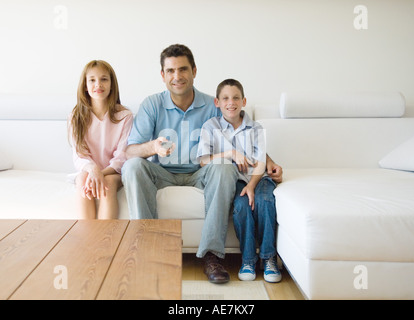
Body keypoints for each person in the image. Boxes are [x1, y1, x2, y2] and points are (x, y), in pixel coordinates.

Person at [122, 44, 282, 284]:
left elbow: (242, 134)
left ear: (194, 71)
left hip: (202, 172)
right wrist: (152, 147)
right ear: (163, 75)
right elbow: (129, 151)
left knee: (225, 166)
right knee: (132, 166)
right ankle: (148, 250)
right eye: (171, 71)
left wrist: (268, 161)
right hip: (161, 172)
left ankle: (211, 255)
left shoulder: (213, 104)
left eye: (183, 69)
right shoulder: (152, 104)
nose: (178, 76)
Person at [197, 79, 282, 283]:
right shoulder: (210, 126)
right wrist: (230, 153)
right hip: (235, 181)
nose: (231, 103)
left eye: (236, 98)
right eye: (225, 98)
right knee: (242, 206)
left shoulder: (255, 128)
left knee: (265, 203)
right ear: (217, 102)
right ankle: (248, 259)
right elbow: (203, 161)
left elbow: (260, 162)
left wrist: (252, 186)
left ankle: (269, 258)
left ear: (243, 101)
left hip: (257, 179)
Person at [68, 60, 133, 219]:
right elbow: (79, 155)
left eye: (104, 79)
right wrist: (92, 170)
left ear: (112, 84)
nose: (98, 84)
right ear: (85, 85)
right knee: (82, 179)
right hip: (89, 171)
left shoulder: (125, 116)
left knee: (108, 183)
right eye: (92, 80)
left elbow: (121, 157)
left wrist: (99, 173)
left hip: (113, 172)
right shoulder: (76, 117)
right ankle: (87, 240)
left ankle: (105, 241)